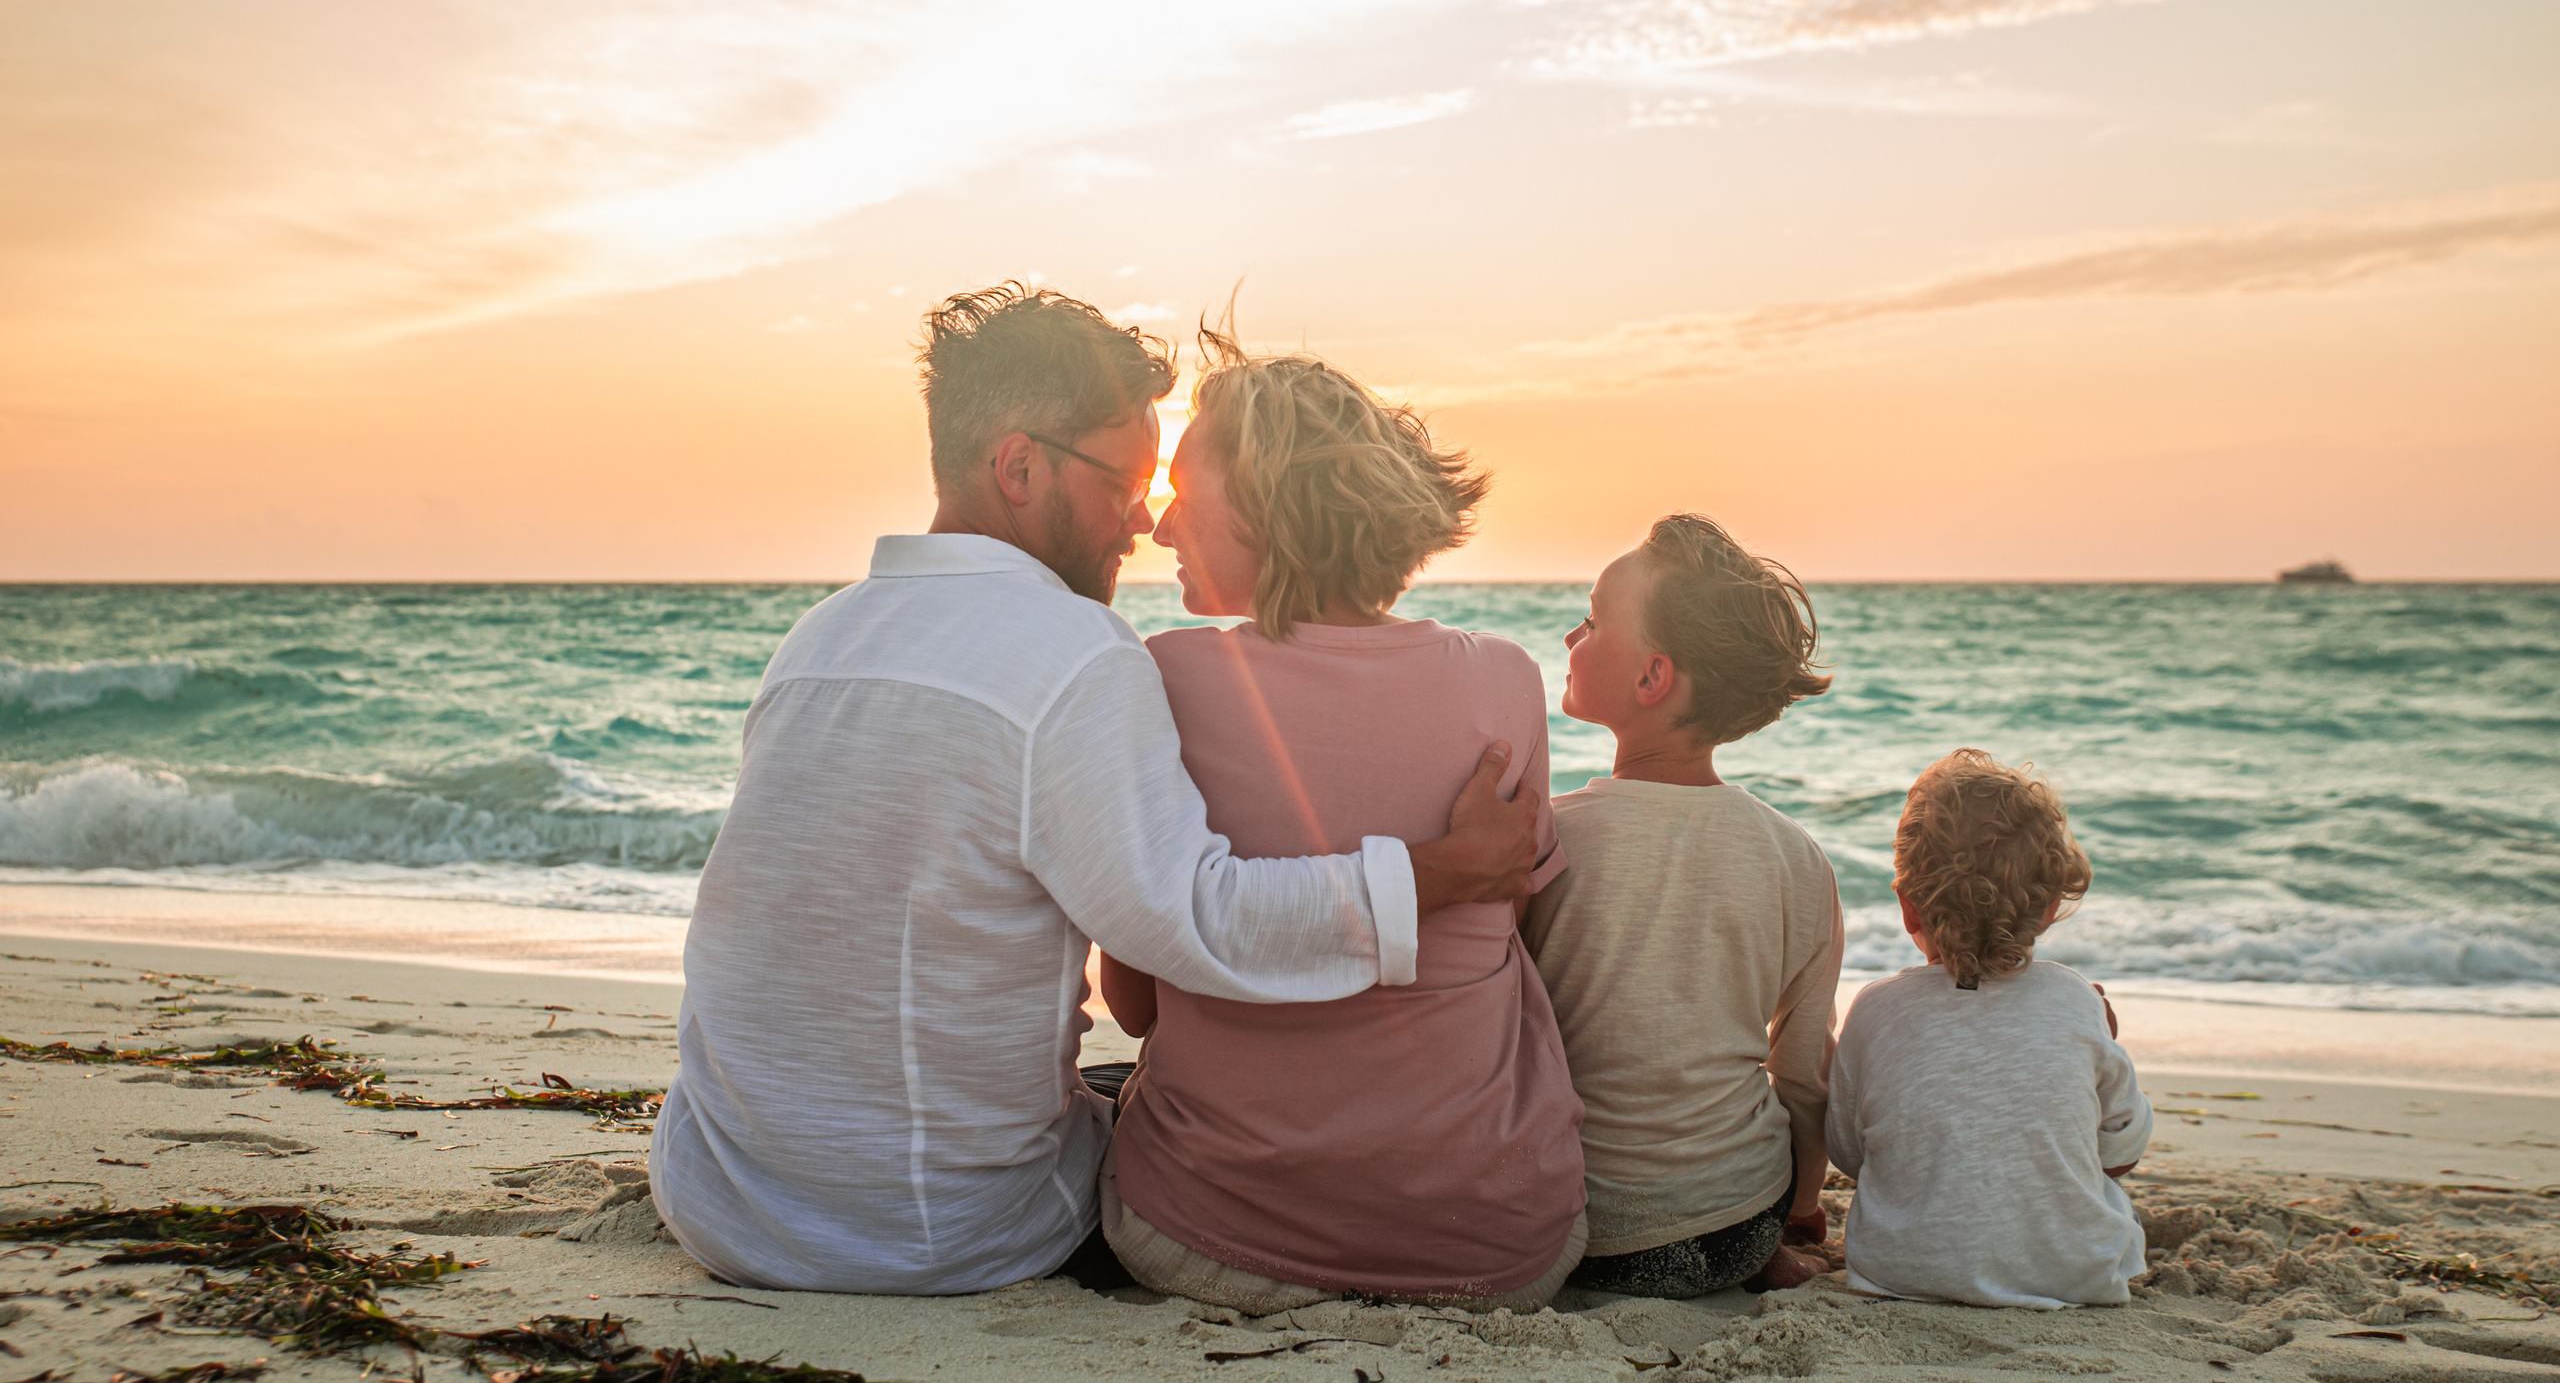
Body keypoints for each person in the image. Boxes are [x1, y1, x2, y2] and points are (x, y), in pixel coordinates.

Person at [649, 285, 1542, 1295]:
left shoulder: (817, 639)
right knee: (1130, 1111)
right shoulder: (1074, 653)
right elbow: (1197, 922)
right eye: (1123, 480)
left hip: (722, 1198)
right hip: (940, 1231)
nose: (1141, 517)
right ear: (1018, 467)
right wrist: (1437, 871)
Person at [1095, 326, 1587, 1314]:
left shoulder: (1164, 677)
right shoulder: (1504, 678)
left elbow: (1139, 1001)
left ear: (1273, 511)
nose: (1156, 526)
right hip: (1498, 1252)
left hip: (1210, 1243)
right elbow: (1508, 930)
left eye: (1185, 495)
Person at [1521, 514, 1841, 1298]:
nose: (1571, 634)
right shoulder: (1795, 857)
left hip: (1576, 1228)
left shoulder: (1550, 837)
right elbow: (1802, 1074)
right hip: (1737, 1224)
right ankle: (1768, 1255)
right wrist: (1799, 1207)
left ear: (1651, 679)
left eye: (1593, 621)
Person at [1826, 748, 2152, 1308]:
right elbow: (2120, 1154)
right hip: (2074, 1275)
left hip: (1901, 1273)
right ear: (2050, 905)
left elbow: (1850, 1154)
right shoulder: (2076, 999)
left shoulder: (1876, 1010)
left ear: (1908, 908)